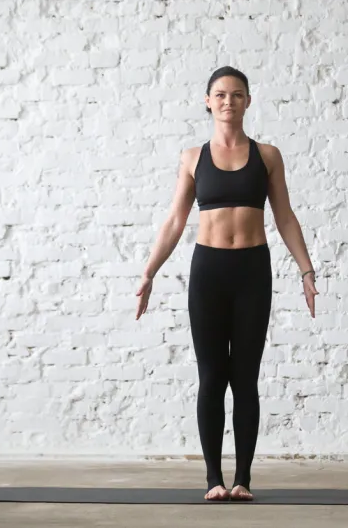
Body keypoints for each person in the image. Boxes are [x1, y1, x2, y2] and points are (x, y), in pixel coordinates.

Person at [135, 66, 318, 501]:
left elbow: (285, 216)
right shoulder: (192, 158)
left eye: (237, 95)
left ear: (248, 101)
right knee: (212, 377)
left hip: (253, 272)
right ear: (207, 101)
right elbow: (176, 220)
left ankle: (244, 480)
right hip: (208, 274)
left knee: (245, 378)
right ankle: (214, 479)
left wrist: (306, 271)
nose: (228, 102)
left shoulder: (268, 155)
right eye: (220, 95)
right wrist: (148, 272)